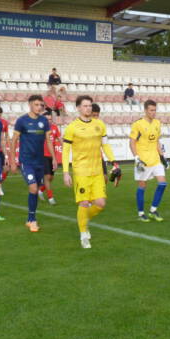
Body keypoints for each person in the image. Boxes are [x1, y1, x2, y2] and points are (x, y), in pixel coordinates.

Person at [62, 95, 118, 249]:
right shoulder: (72, 127)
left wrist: (114, 162)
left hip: (97, 171)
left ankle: (83, 220)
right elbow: (66, 151)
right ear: (78, 108)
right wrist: (66, 172)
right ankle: (83, 233)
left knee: (100, 204)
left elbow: (105, 145)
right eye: (85, 106)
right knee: (84, 203)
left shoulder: (99, 125)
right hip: (81, 171)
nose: (88, 108)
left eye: (90, 105)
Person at [10, 94, 56, 232]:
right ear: (30, 105)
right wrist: (12, 160)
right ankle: (32, 219)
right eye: (36, 104)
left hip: (39, 161)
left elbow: (48, 140)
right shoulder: (22, 121)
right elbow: (13, 141)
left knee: (35, 190)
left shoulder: (44, 121)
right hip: (26, 161)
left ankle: (30, 218)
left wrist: (53, 158)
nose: (39, 107)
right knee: (33, 188)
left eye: (41, 105)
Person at [130, 99, 168, 222]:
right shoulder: (138, 124)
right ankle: (141, 213)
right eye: (151, 110)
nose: (153, 112)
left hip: (156, 159)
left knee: (163, 183)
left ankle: (153, 210)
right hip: (143, 161)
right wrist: (136, 158)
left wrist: (163, 158)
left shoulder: (157, 123)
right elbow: (132, 142)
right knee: (142, 186)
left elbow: (157, 141)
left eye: (155, 110)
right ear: (145, 110)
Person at [39, 112, 62, 205]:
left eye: (50, 119)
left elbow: (59, 138)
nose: (48, 121)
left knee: (51, 177)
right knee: (47, 177)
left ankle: (40, 190)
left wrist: (65, 146)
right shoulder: (40, 129)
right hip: (42, 155)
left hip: (52, 155)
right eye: (46, 119)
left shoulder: (55, 128)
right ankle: (50, 197)